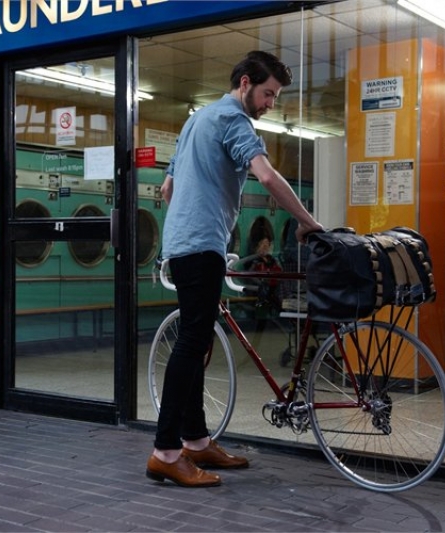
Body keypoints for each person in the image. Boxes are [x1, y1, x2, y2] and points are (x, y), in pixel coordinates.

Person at [146, 51, 324, 488]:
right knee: (191, 345)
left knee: (197, 339)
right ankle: (166, 452)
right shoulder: (232, 122)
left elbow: (167, 187)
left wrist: (191, 222)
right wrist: (308, 221)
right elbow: (266, 177)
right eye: (268, 93)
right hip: (201, 245)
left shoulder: (196, 120)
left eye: (276, 96)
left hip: (188, 243)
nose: (271, 104)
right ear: (245, 83)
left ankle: (196, 440)